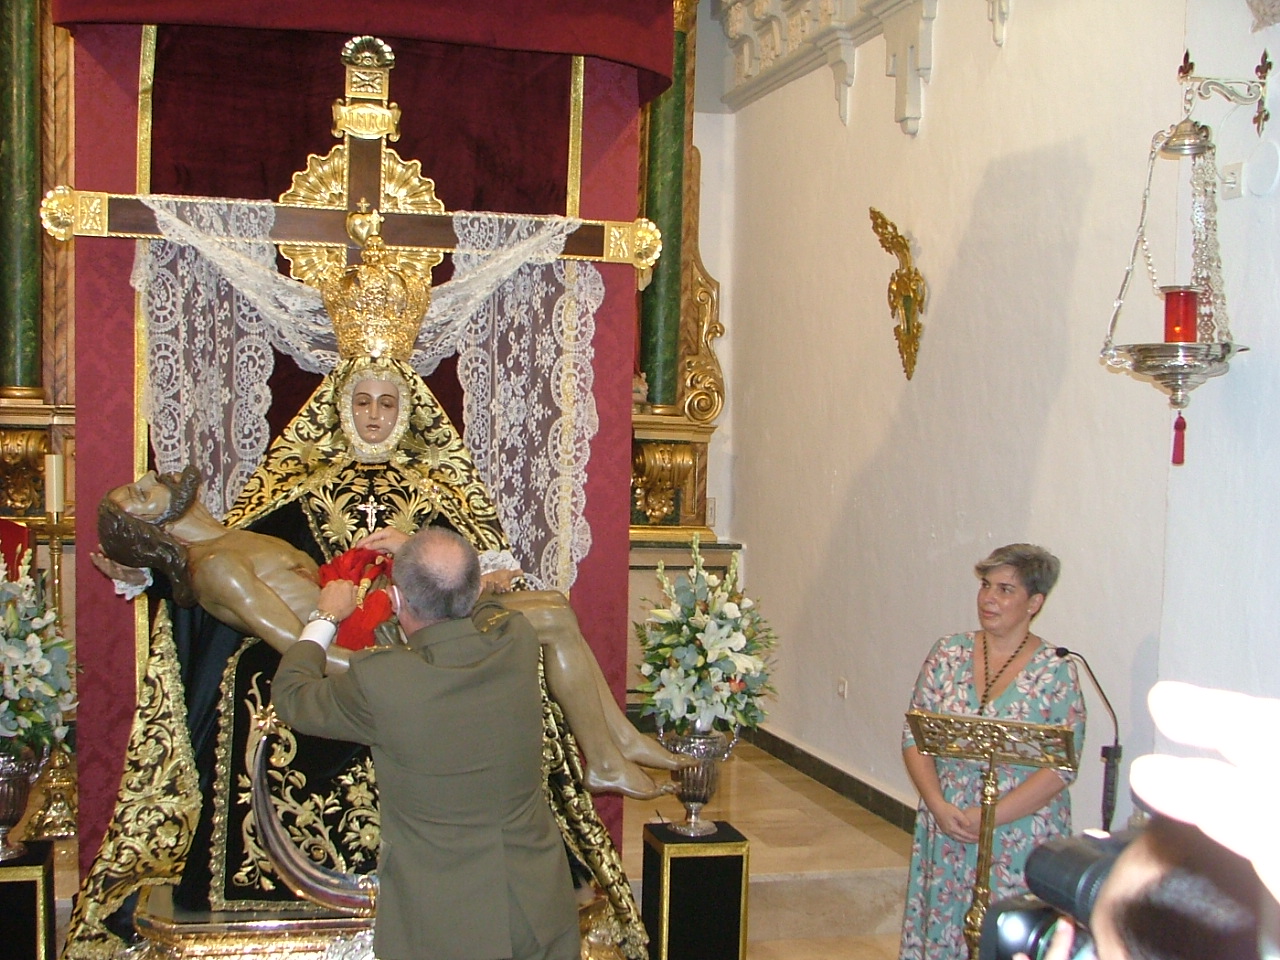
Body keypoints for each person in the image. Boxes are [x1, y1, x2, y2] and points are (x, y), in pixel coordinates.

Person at [272, 527, 579, 960]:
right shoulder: (517, 640)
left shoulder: (381, 681)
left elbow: (292, 696)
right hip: (539, 911)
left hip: (441, 928)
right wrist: (428, 562)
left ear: (396, 601)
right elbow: (486, 602)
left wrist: (325, 616)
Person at [899, 543, 1087, 960]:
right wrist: (937, 803)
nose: (988, 598)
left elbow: (1060, 767)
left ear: (1034, 602)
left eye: (1005, 589)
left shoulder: (1056, 670)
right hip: (947, 820)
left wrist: (987, 818)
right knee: (945, 933)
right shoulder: (947, 653)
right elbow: (914, 737)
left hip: (1018, 830)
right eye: (986, 585)